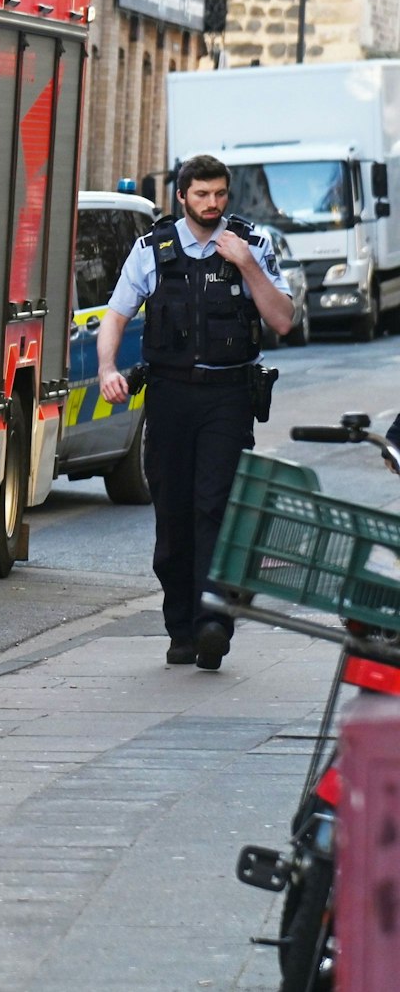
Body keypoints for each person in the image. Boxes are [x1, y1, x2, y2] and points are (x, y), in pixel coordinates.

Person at [97, 154, 294, 671]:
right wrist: (106, 369)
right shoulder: (152, 250)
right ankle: (180, 628)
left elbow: (283, 319)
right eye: (203, 195)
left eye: (221, 195)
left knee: (216, 509)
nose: (213, 204)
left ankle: (213, 624)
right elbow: (116, 315)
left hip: (228, 396)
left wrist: (247, 263)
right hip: (169, 396)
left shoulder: (253, 244)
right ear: (181, 196)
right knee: (174, 513)